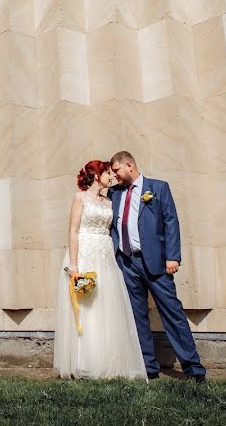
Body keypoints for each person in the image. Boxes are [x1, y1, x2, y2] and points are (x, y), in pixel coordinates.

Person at [107, 151, 207, 382]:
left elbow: (171, 221)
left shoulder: (158, 187)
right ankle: (148, 367)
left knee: (172, 313)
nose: (115, 176)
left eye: (116, 171)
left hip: (156, 263)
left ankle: (193, 368)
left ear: (129, 165)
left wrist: (173, 257)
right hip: (126, 262)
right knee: (137, 315)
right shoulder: (115, 194)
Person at [53, 160, 146, 379]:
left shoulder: (108, 201)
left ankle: (108, 362)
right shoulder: (80, 198)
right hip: (85, 254)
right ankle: (85, 362)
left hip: (105, 256)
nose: (111, 177)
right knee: (86, 307)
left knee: (106, 305)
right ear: (96, 176)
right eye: (107, 173)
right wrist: (74, 264)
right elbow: (73, 231)